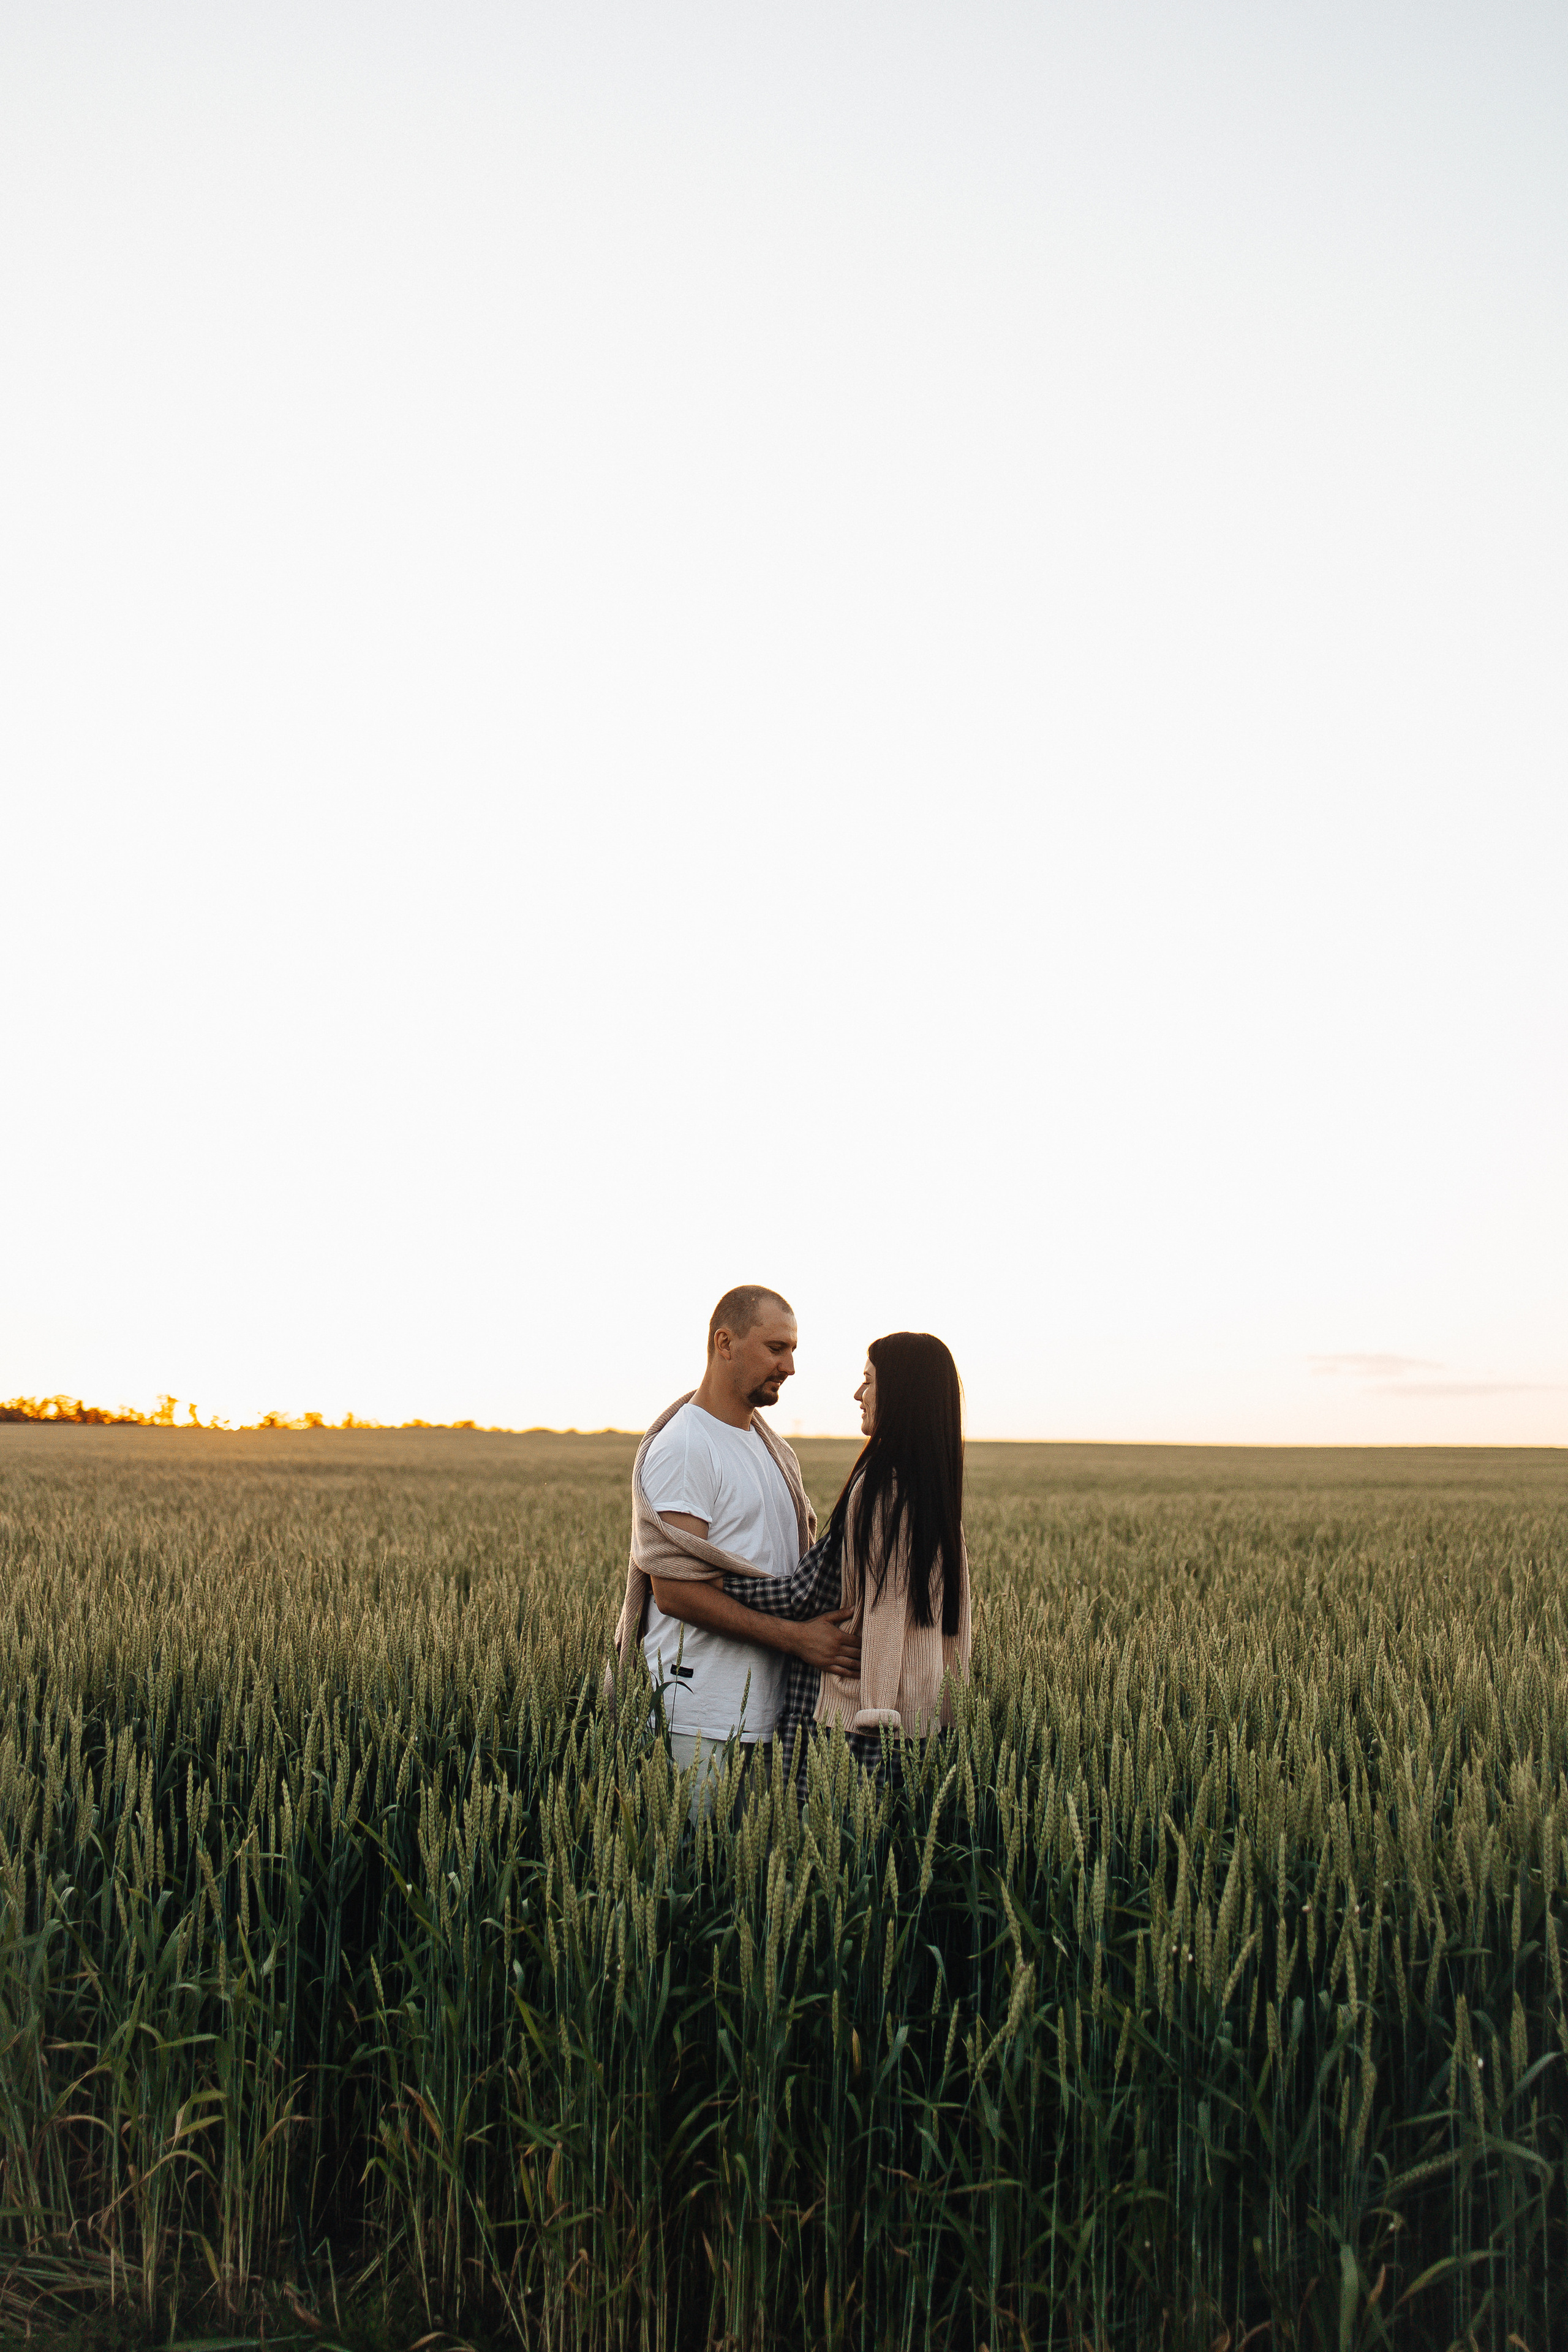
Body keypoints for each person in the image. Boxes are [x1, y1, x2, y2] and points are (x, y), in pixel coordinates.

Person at [608, 1286, 861, 1803]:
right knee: (694, 1878)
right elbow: (676, 1591)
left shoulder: (773, 1451)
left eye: (793, 1350)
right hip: (697, 1717)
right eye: (775, 1348)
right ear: (725, 1343)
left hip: (767, 1716)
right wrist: (797, 1639)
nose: (789, 1366)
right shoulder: (686, 1446)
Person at [720, 1330, 971, 1795]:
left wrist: (708, 1581)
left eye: (868, 1381)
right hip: (915, 1715)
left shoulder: (882, 1488)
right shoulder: (936, 1492)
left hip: (850, 1717)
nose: (859, 1394)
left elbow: (805, 1594)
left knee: (823, 1854)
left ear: (900, 1393)